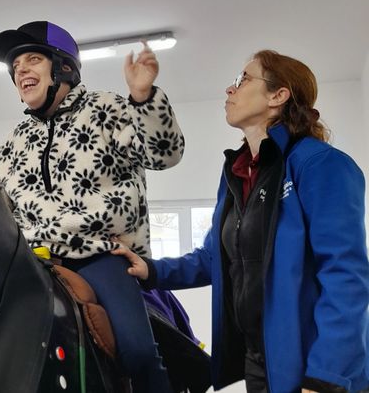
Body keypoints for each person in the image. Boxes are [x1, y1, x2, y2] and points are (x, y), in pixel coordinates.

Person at [113, 50, 369, 393]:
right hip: (259, 359)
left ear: (278, 96)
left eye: (243, 79)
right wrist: (151, 270)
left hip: (313, 365)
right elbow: (213, 258)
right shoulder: (238, 173)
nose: (230, 89)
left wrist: (327, 377)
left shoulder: (321, 165)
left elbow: (345, 277)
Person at [0, 21, 185, 393]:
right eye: (15, 66)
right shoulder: (15, 139)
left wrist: (143, 98)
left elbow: (165, 155)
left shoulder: (106, 108)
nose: (21, 70)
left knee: (138, 351)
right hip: (31, 260)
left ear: (63, 67)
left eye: (33, 59)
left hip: (99, 256)